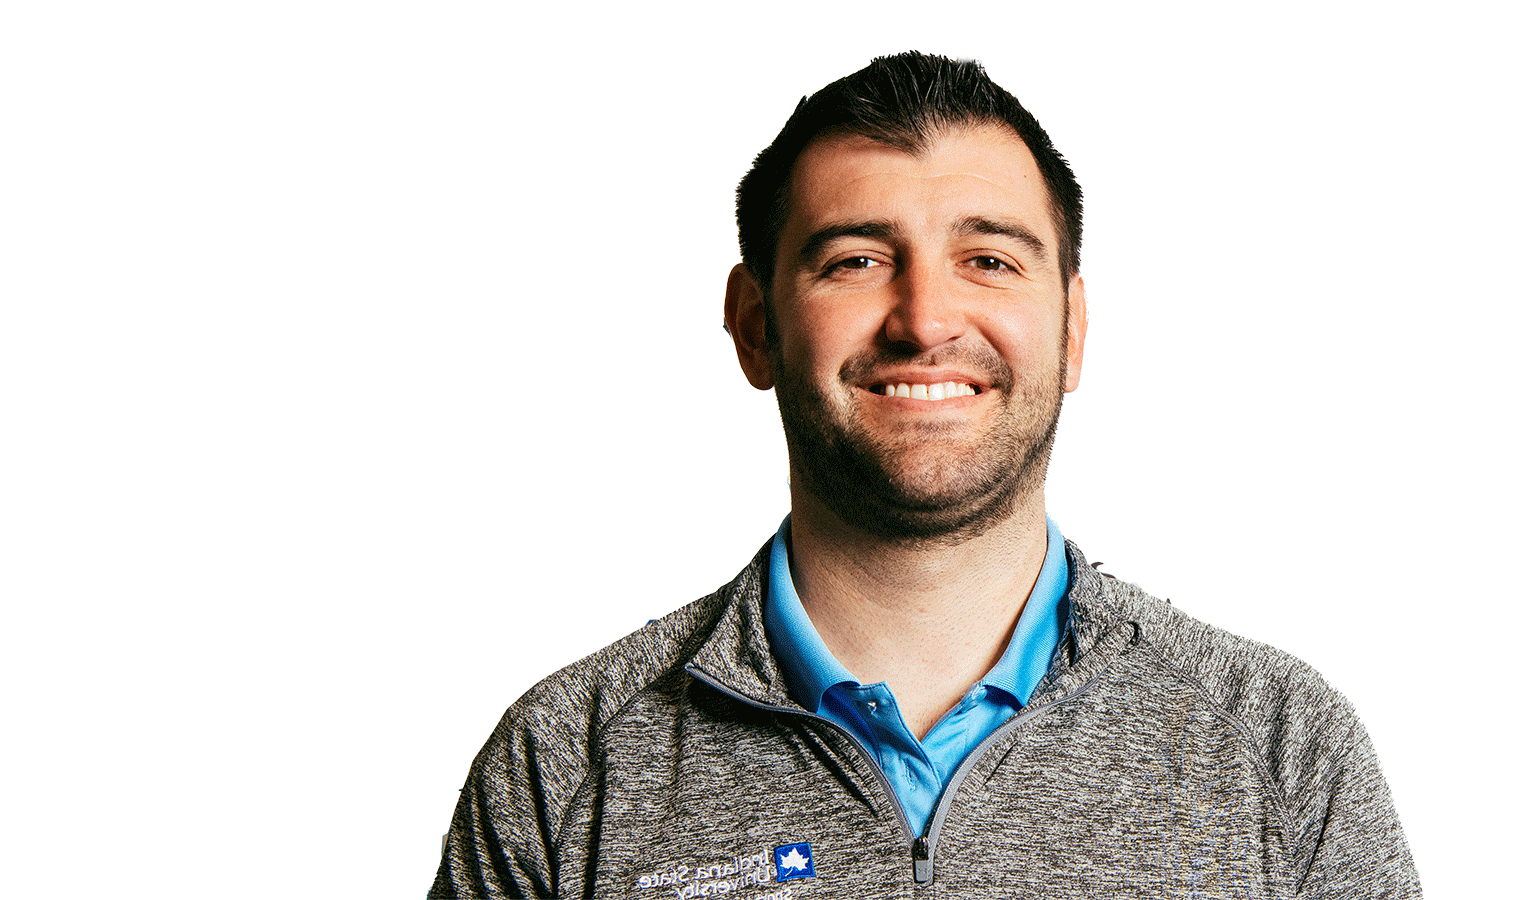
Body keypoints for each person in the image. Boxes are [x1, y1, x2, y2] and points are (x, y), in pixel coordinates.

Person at [430, 52, 1420, 899]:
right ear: (754, 325)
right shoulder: (567, 765)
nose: (925, 320)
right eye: (857, 261)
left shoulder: (1280, 748)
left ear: (1073, 331)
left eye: (989, 260)